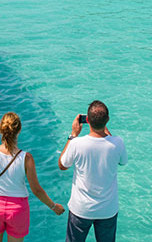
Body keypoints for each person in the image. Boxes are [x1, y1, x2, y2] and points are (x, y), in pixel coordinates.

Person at [0, 112, 65, 241]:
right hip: (17, 210)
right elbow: (36, 189)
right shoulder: (26, 158)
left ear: (1, 129)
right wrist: (53, 206)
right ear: (19, 130)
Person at [59, 101, 127, 242]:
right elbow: (122, 161)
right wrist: (104, 129)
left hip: (81, 209)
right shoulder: (118, 143)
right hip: (108, 210)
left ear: (87, 120)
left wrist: (73, 135)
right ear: (107, 120)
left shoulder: (76, 144)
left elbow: (62, 165)